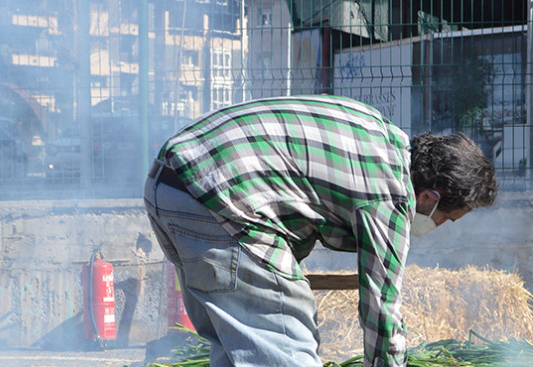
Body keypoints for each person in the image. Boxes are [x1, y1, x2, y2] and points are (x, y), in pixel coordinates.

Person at [144, 95, 497, 367]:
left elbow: (293, 196)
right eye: (446, 218)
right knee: (287, 346)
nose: (438, 226)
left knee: (237, 346)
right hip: (220, 198)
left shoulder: (381, 134)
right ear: (429, 197)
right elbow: (382, 311)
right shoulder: (389, 196)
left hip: (169, 186)